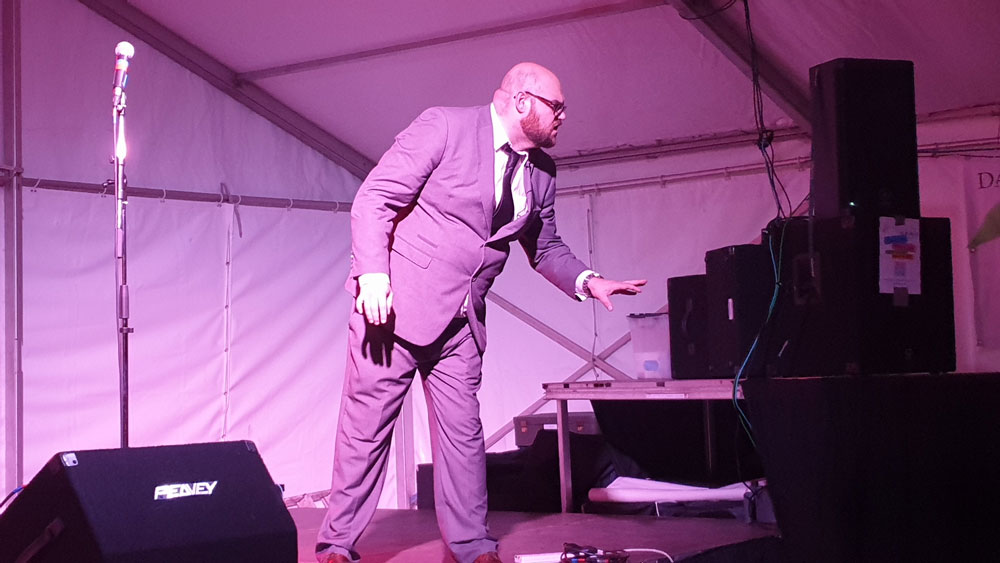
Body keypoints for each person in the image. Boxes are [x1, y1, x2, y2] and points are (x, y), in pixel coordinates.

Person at [316, 62, 646, 563]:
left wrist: (588, 280)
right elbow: (375, 198)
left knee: (464, 439)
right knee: (366, 432)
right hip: (392, 309)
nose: (563, 116)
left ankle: (472, 546)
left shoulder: (542, 171)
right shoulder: (445, 127)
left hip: (462, 323)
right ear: (521, 101)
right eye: (556, 107)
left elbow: (545, 247)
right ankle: (337, 544)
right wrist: (373, 275)